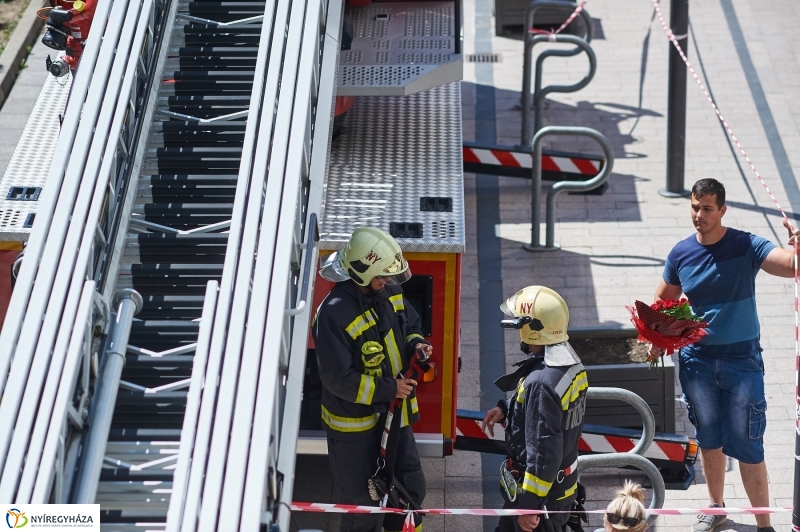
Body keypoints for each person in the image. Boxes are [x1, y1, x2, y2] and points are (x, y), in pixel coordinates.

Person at [651, 178, 799, 532]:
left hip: (742, 363)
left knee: (749, 445)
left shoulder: (746, 244)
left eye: (706, 208)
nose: (698, 215)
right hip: (696, 363)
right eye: (694, 206)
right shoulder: (681, 254)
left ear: (722, 210)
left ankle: (764, 525)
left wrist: (797, 249)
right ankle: (715, 509)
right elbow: (661, 305)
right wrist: (656, 335)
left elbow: (790, 266)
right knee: (708, 438)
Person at [313, 226, 432, 532]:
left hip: (392, 417)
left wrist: (417, 344)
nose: (388, 282)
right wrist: (391, 388)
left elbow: (411, 322)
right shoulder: (332, 315)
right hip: (354, 427)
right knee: (363, 509)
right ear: (361, 273)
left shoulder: (388, 291)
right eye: (382, 277)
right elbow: (339, 379)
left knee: (411, 488)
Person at [481, 286, 588, 532]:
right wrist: (507, 408)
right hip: (559, 488)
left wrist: (529, 507)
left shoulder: (541, 381)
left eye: (520, 324)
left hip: (537, 498)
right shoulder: (569, 363)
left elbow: (543, 452)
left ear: (532, 328)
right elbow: (554, 414)